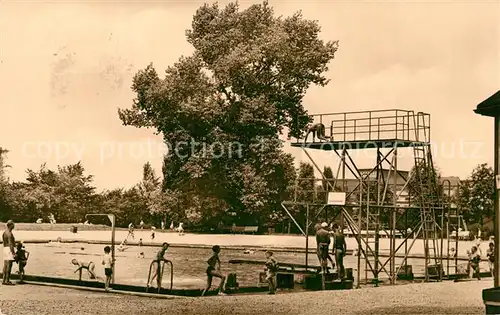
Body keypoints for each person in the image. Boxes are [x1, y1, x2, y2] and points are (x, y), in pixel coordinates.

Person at [2, 220, 16, 285]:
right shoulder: (9, 234)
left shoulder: (5, 232)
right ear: (10, 225)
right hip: (9, 249)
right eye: (13, 225)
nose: (14, 226)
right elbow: (10, 244)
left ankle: (4, 279)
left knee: (5, 265)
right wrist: (13, 253)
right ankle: (7, 280)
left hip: (5, 248)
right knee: (9, 265)